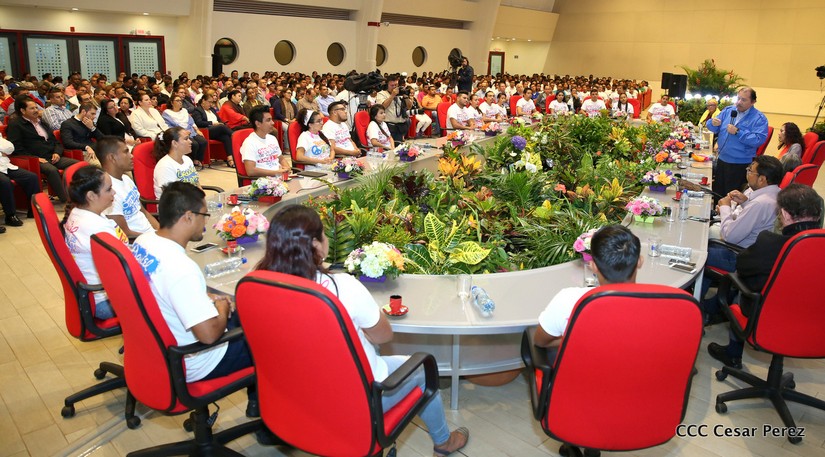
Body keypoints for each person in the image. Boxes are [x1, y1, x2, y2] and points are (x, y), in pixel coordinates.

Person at [254, 204, 469, 455]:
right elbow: (384, 335)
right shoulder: (341, 287)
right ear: (315, 244)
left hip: (295, 398)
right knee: (422, 367)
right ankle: (443, 442)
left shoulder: (259, 284)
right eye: (324, 235)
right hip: (357, 401)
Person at [131, 182, 255, 403]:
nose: (206, 221)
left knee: (248, 315)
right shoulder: (181, 268)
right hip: (198, 360)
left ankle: (256, 405)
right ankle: (265, 419)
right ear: (188, 217)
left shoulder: (144, 241)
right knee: (270, 335)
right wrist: (222, 307)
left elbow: (160, 289)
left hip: (157, 347)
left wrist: (205, 297)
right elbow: (208, 336)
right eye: (204, 215)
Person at [707, 184, 824, 369]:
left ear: (785, 214)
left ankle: (733, 354)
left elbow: (743, 267)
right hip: (817, 327)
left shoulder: (771, 243)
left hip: (767, 321)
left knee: (743, 285)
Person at [533, 225, 643, 356]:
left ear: (593, 266)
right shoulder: (665, 303)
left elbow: (540, 342)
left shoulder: (567, 301)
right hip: (643, 374)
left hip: (583, 375)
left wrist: (580, 340)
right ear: (640, 262)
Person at [62, 165, 128, 319]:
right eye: (109, 189)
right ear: (91, 195)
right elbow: (124, 266)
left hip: (99, 295)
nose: (114, 192)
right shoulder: (96, 227)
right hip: (104, 301)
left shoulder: (81, 213)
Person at [7, 95, 79, 202]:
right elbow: (16, 148)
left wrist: (57, 153)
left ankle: (78, 193)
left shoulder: (42, 122)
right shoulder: (16, 125)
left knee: (77, 164)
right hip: (35, 159)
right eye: (32, 108)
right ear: (22, 110)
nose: (36, 110)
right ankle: (67, 200)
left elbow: (56, 142)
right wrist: (35, 158)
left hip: (52, 156)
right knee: (52, 170)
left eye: (36, 107)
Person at [707, 88, 769, 200]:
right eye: (738, 98)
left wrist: (738, 132)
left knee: (732, 197)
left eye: (744, 100)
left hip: (740, 164)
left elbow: (759, 139)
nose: (739, 102)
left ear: (753, 102)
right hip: (722, 159)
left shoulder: (759, 118)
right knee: (718, 193)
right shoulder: (728, 111)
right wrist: (712, 123)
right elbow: (712, 127)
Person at [98, 136, 158, 237]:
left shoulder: (126, 178)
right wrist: (156, 239)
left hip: (149, 235)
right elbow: (125, 234)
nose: (131, 156)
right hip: (137, 243)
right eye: (126, 152)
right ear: (112, 158)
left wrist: (161, 232)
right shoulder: (107, 190)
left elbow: (144, 212)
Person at [0, 131, 39, 227]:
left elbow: (9, 148)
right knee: (5, 183)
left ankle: (33, 210)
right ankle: (10, 215)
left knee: (31, 177)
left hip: (5, 165)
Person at [241, 106, 291, 177]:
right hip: (263, 183)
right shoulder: (249, 143)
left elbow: (281, 158)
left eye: (272, 119)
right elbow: (251, 171)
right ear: (258, 124)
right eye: (268, 120)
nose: (273, 123)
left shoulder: (272, 138)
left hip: (280, 178)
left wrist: (287, 168)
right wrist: (276, 172)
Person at [153, 127, 200, 200]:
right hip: (175, 208)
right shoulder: (164, 167)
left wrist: (203, 201)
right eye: (186, 139)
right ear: (174, 143)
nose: (190, 141)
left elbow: (197, 184)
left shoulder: (187, 159)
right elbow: (173, 198)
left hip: (192, 203)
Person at [162, 94, 208, 168]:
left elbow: (191, 122)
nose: (180, 102)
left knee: (203, 141)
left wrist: (197, 130)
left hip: (190, 131)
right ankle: (190, 161)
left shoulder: (184, 111)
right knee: (194, 144)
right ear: (171, 102)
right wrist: (183, 131)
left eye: (181, 101)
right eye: (177, 101)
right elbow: (170, 125)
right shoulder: (167, 113)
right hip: (179, 133)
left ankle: (198, 159)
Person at [192, 93, 235, 168]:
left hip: (217, 130)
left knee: (225, 137)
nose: (211, 104)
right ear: (203, 101)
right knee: (222, 127)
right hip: (206, 130)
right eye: (209, 102)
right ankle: (235, 135)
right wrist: (212, 123)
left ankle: (230, 159)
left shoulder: (212, 110)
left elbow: (219, 120)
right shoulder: (197, 110)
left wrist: (220, 123)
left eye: (212, 102)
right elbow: (198, 122)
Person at [60, 102, 104, 167]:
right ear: (83, 112)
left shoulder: (89, 122)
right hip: (82, 152)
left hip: (96, 149)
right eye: (92, 114)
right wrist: (86, 147)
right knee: (97, 165)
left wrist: (92, 128)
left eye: (95, 114)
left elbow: (102, 138)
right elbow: (68, 143)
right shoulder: (67, 124)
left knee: (116, 160)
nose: (94, 116)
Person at [375, 75, 412, 143]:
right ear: (387, 85)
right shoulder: (382, 94)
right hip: (389, 126)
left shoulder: (400, 94)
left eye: (396, 85)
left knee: (399, 147)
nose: (394, 87)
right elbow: (382, 107)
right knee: (391, 146)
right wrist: (392, 95)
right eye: (392, 85)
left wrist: (406, 96)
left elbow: (409, 107)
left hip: (401, 126)